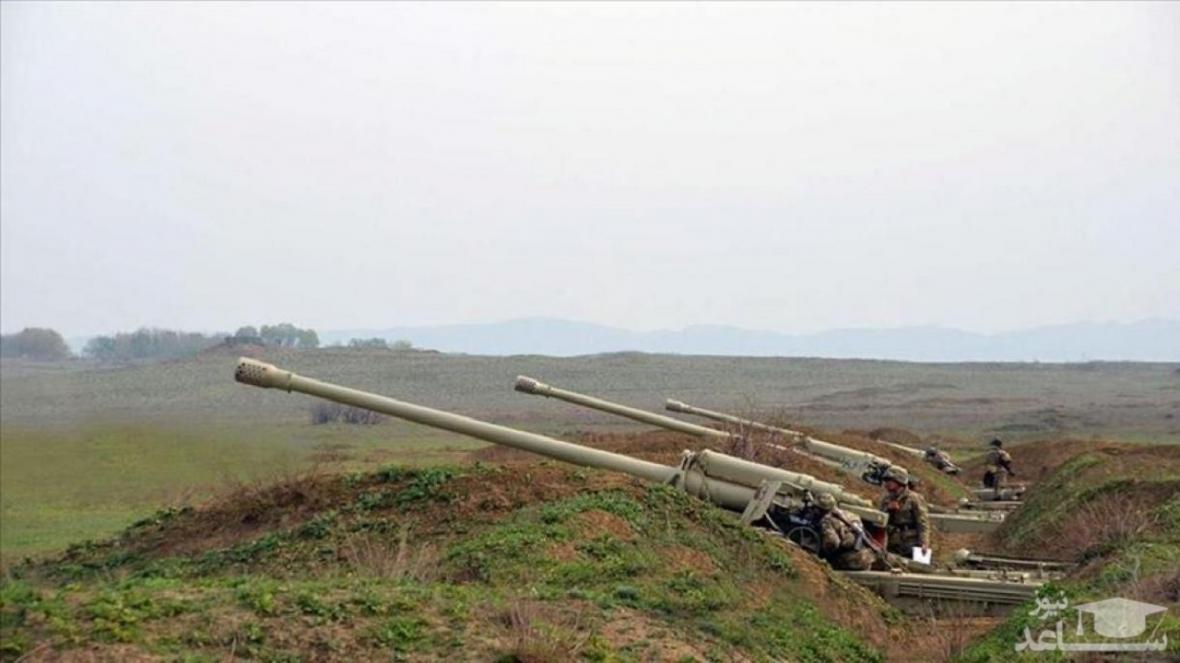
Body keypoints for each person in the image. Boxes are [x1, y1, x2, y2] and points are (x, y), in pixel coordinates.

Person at [878, 465, 930, 558]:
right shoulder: (886, 499)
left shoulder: (914, 499)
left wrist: (924, 543)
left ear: (899, 481)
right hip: (892, 542)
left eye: (890, 480)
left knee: (916, 569)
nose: (887, 483)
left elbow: (922, 523)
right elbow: (879, 520)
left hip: (912, 542)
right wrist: (888, 510)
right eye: (886, 481)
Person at [813, 493, 875, 570]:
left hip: (852, 559)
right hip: (865, 555)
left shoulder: (827, 521)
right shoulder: (846, 514)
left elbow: (832, 543)